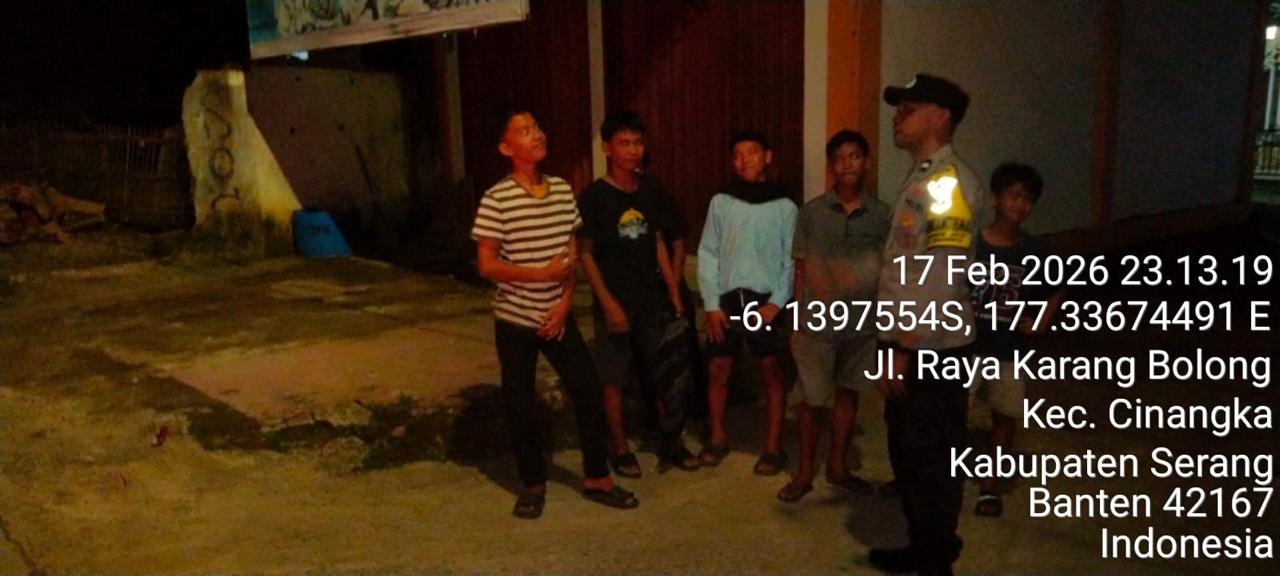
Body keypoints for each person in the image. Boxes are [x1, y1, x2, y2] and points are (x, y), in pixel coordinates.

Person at [470, 107, 638, 519]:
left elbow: (570, 252)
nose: (537, 134)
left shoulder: (562, 190)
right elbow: (486, 265)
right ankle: (533, 484)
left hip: (557, 317)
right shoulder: (497, 199)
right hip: (515, 319)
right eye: (525, 131)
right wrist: (538, 275)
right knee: (520, 402)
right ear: (506, 147)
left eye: (538, 127)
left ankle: (597, 477)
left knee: (587, 389)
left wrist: (563, 303)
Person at [869, 74, 983, 576]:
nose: (897, 115)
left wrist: (903, 348)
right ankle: (925, 545)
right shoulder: (923, 177)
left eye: (910, 107)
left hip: (931, 350)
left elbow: (942, 275)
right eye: (898, 108)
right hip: (912, 343)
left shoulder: (946, 184)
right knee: (909, 452)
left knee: (931, 457)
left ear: (941, 117)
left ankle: (935, 559)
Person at [578, 110, 700, 476]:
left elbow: (659, 240)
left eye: (637, 142)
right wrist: (608, 304)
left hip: (652, 301)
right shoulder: (595, 197)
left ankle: (671, 440)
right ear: (607, 148)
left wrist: (673, 291)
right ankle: (619, 447)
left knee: (663, 374)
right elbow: (585, 254)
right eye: (624, 143)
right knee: (613, 378)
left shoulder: (650, 190)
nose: (632, 150)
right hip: (615, 301)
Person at [776, 130, 890, 503]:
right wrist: (796, 320)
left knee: (848, 393)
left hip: (862, 324)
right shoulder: (812, 213)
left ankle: (838, 466)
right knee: (811, 400)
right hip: (817, 324)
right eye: (839, 158)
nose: (847, 164)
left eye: (854, 156)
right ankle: (804, 471)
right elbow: (800, 269)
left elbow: (889, 272)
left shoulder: (883, 215)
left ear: (866, 162)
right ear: (831, 166)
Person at [696, 129, 797, 475]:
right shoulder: (722, 201)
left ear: (767, 157)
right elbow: (708, 253)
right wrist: (712, 304)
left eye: (752, 153)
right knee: (718, 369)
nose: (744, 161)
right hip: (727, 300)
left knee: (771, 371)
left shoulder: (784, 206)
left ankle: (773, 446)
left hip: (766, 301)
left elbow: (790, 259)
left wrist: (777, 303)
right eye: (737, 155)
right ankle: (718, 437)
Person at [969, 162, 1063, 517]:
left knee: (1005, 415)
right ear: (995, 199)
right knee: (949, 413)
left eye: (1028, 199)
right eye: (1014, 196)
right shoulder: (973, 244)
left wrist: (1039, 323)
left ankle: (990, 485)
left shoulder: (1034, 251)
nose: (1021, 205)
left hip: (1010, 351)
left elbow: (1056, 290)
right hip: (967, 348)